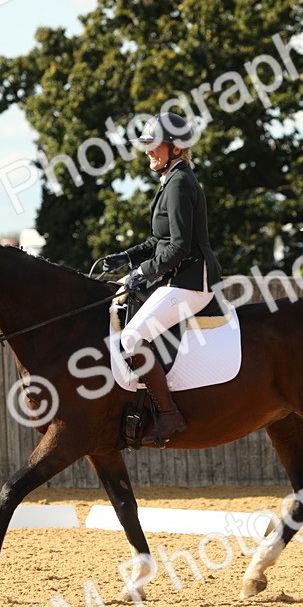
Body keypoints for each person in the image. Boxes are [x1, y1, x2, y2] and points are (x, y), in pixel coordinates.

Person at [103, 111, 223, 445]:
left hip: (191, 280)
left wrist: (139, 273)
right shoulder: (171, 179)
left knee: (131, 338)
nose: (147, 151)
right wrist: (128, 257)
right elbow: (160, 241)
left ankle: (169, 414)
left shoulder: (181, 182)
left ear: (174, 148)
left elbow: (181, 247)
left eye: (153, 145)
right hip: (177, 277)